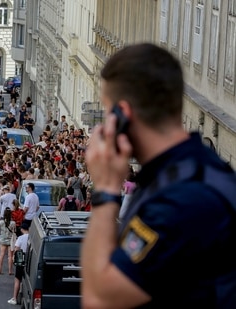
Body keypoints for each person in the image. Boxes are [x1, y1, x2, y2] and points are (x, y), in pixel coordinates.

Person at [82, 43, 236, 308]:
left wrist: (105, 189)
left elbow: (99, 299)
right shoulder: (196, 171)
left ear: (123, 115)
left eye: (108, 112)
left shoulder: (180, 198)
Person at [7, 222, 30, 306]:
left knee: (17, 279)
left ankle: (14, 298)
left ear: (21, 229)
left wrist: (13, 259)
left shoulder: (20, 238)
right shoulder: (33, 237)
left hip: (21, 258)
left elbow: (16, 249)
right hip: (30, 259)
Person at [0, 208, 16, 275]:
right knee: (10, 256)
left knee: (1, 254)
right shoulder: (13, 223)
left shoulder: (1, 222)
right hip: (10, 240)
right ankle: (10, 271)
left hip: (3, 239)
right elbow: (14, 231)